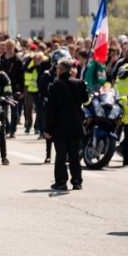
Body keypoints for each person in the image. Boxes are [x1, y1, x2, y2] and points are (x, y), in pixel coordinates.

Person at [44, 58, 88, 191]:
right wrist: (82, 86)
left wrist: (47, 128)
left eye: (57, 68)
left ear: (62, 69)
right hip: (75, 124)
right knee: (74, 155)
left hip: (60, 126)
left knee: (61, 155)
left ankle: (61, 181)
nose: (56, 70)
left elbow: (51, 109)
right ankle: (76, 181)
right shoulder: (79, 83)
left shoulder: (55, 85)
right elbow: (85, 99)